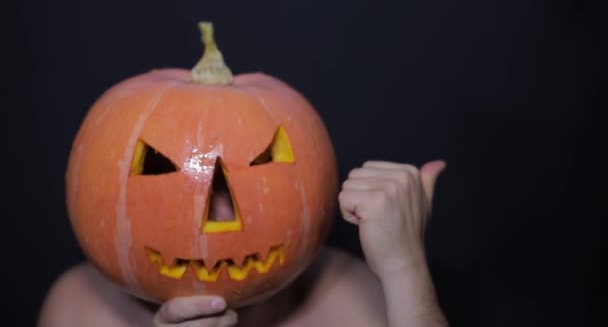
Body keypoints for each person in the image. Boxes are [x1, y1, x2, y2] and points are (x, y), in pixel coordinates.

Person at [38, 160, 449, 327]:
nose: (217, 223)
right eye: (162, 172)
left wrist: (405, 273)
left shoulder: (358, 301)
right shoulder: (79, 308)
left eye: (261, 165)